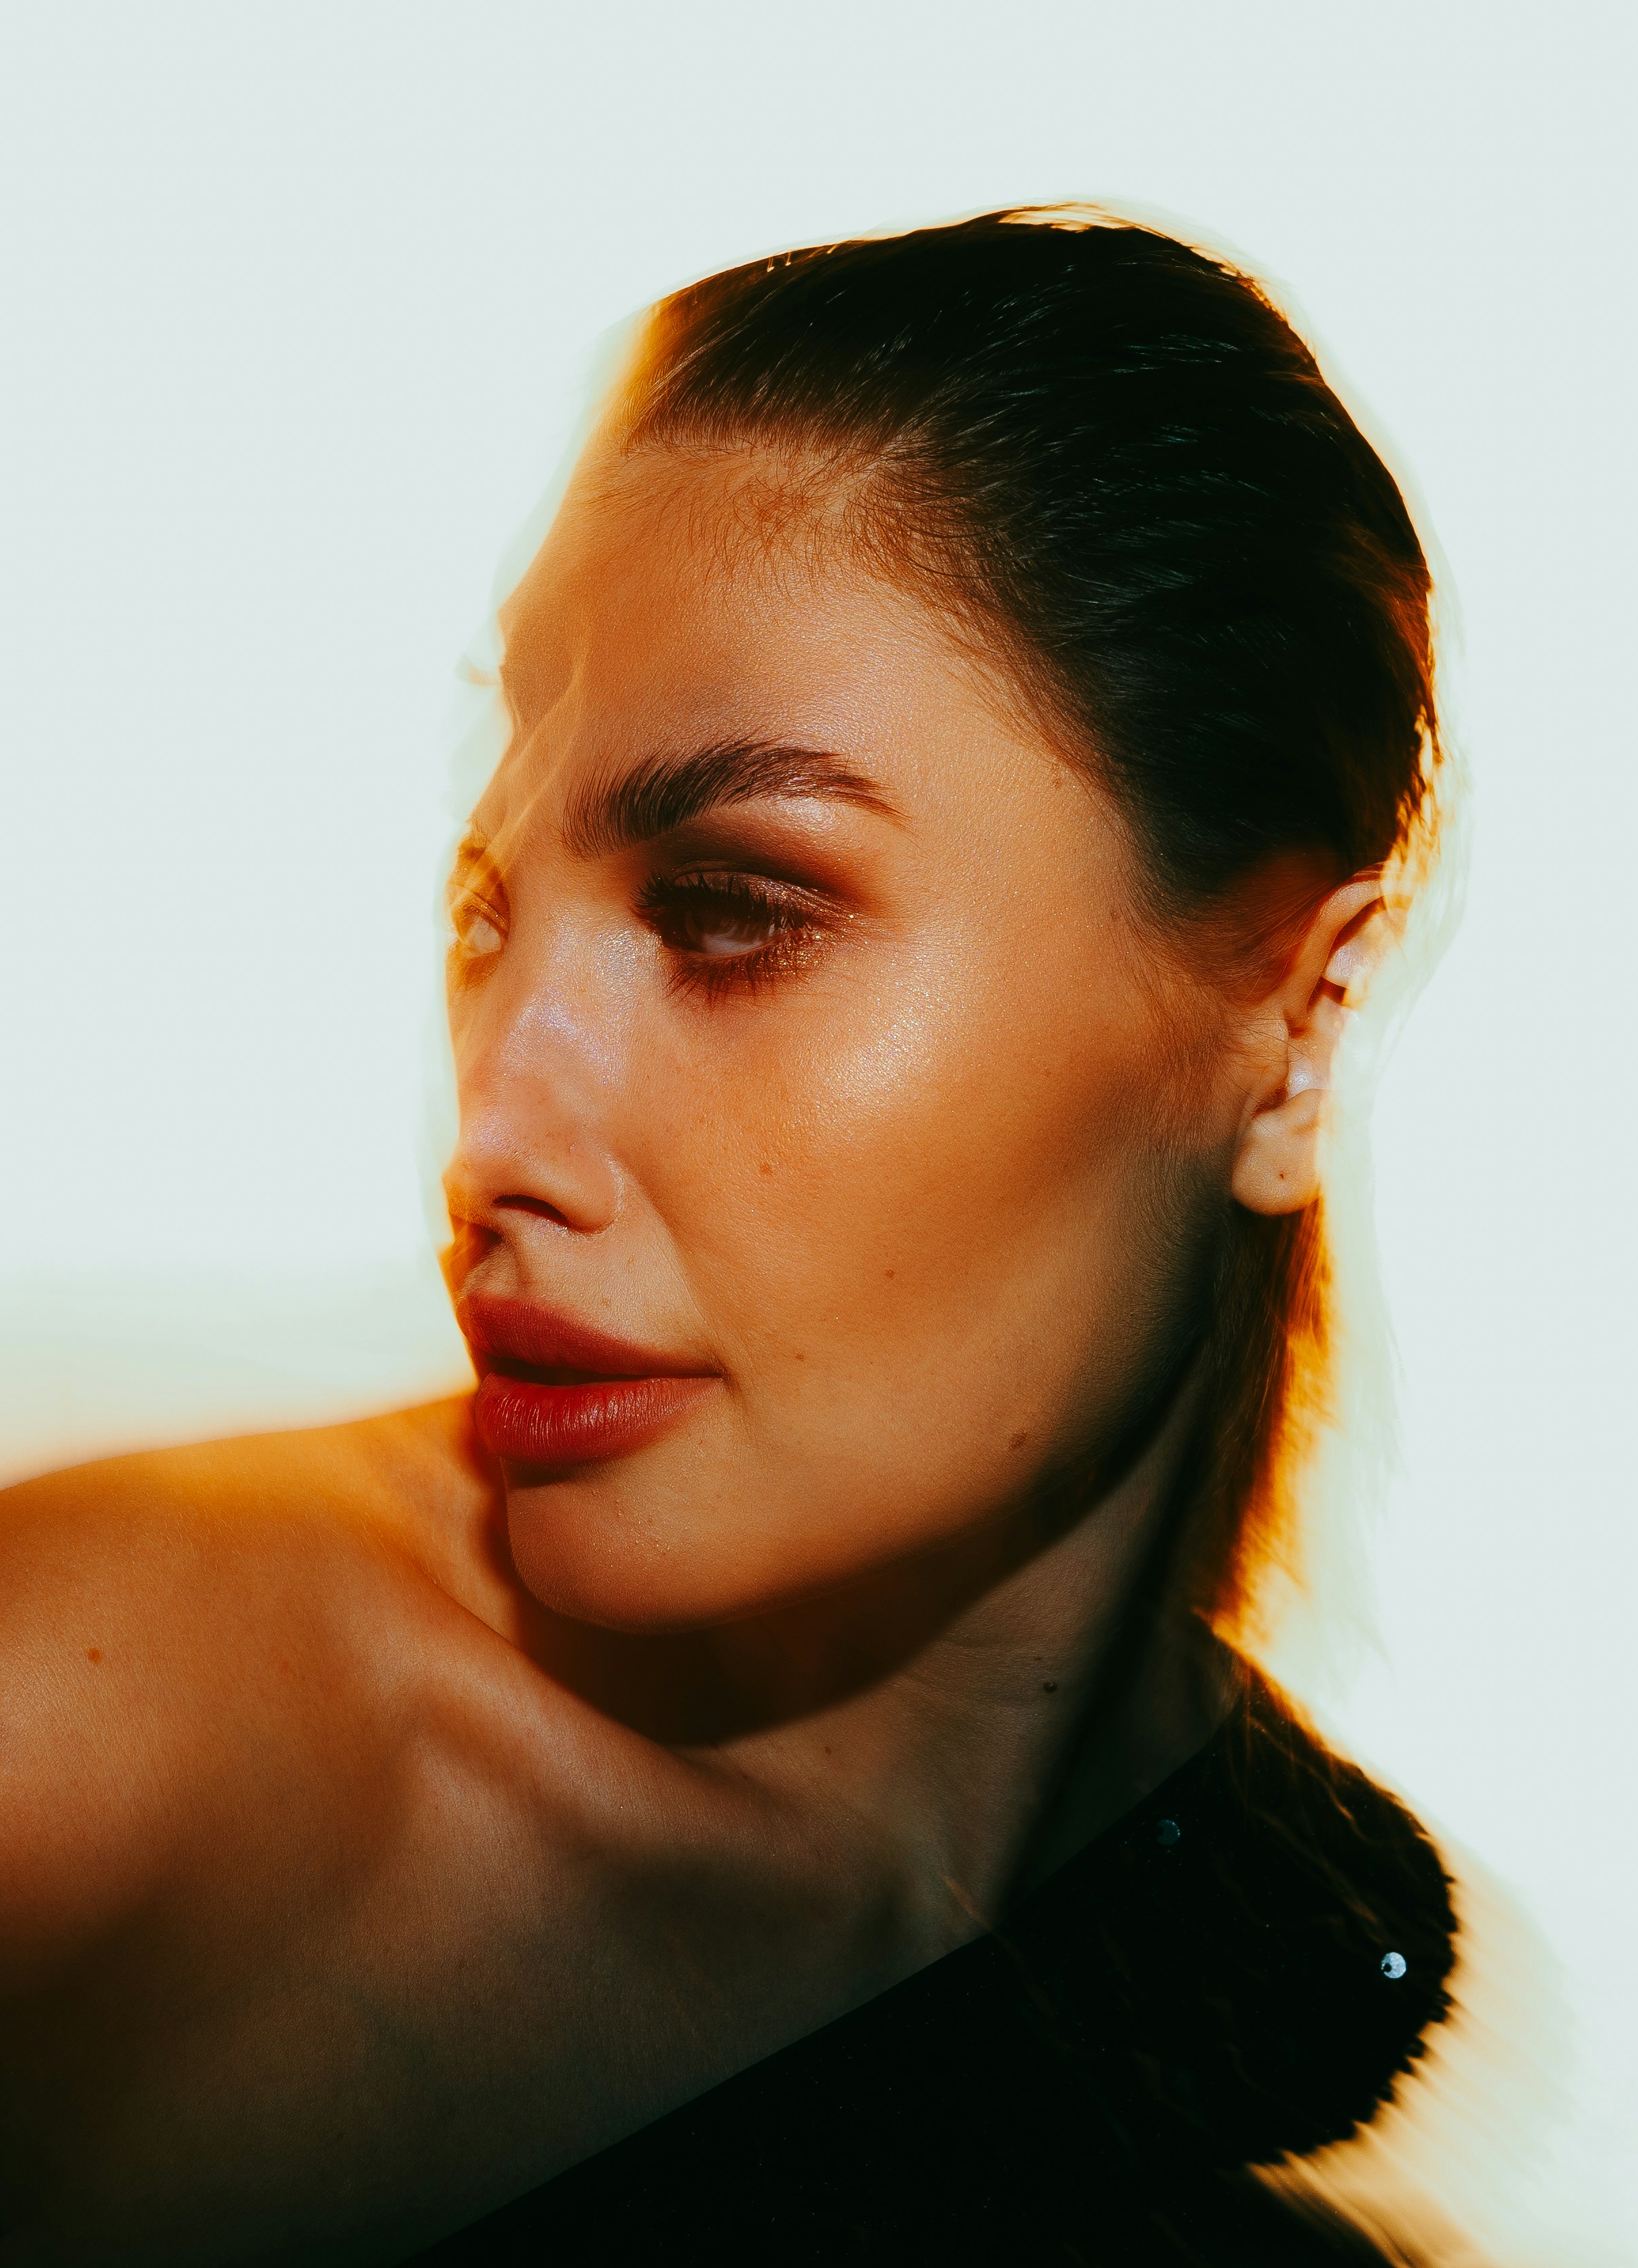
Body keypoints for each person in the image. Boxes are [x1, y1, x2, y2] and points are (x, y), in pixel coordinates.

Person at [0, 208, 1459, 2263]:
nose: (494, 1125)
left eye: (731, 911)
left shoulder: (1256, 1956)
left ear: (1291, 1022)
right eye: (484, 917)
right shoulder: (94, 1735)